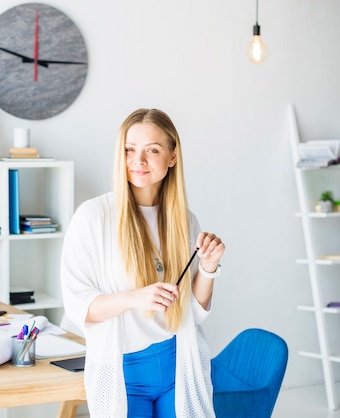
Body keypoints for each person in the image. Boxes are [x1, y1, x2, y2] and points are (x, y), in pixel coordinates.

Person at [60, 108, 225, 418]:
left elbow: (192, 312)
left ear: (172, 157)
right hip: (124, 373)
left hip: (178, 365)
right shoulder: (94, 216)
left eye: (153, 150)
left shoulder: (185, 222)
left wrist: (208, 268)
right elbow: (78, 306)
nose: (139, 160)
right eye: (130, 149)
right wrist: (134, 298)